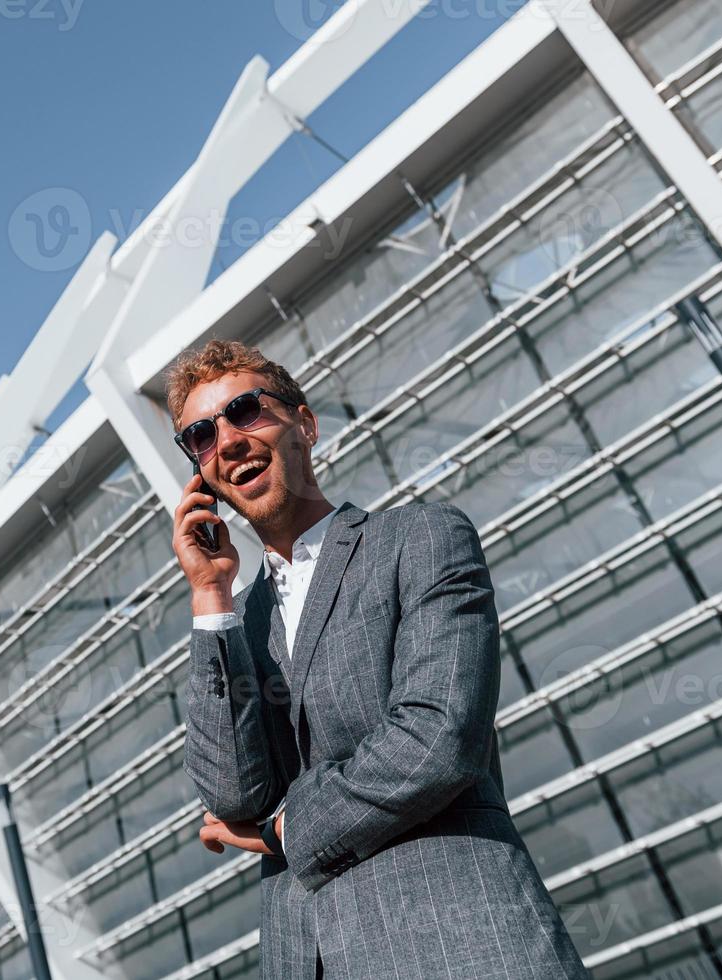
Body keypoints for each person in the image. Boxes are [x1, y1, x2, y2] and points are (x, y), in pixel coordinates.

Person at [168, 339, 589, 979]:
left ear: (304, 425)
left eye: (246, 411)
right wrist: (210, 595)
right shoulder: (234, 619)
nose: (225, 441)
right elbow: (232, 793)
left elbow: (436, 739)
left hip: (460, 949)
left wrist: (285, 832)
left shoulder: (420, 539)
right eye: (201, 434)